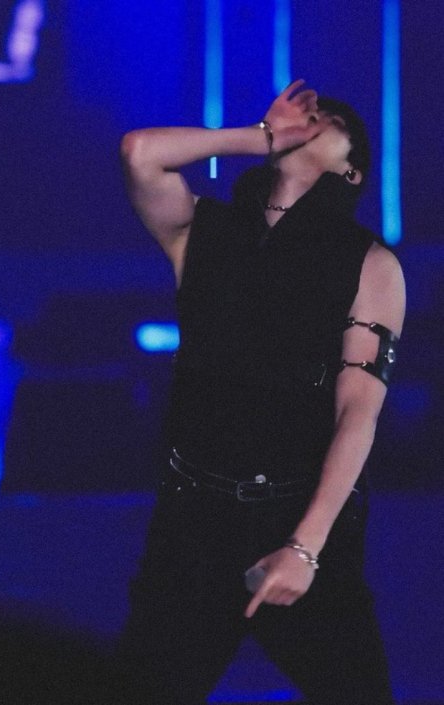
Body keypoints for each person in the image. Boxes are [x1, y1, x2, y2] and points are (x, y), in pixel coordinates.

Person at [114, 79, 405, 705]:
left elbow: (358, 412)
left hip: (299, 516)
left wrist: (306, 547)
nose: (313, 117)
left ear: (352, 171)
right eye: (305, 114)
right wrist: (260, 136)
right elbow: (140, 151)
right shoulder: (202, 230)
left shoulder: (371, 264)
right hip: (193, 522)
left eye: (330, 120)